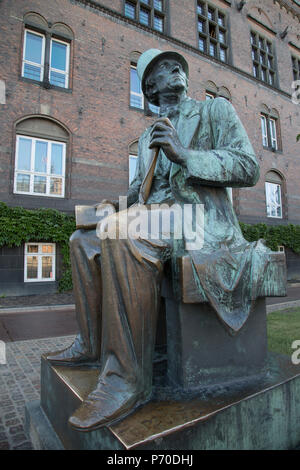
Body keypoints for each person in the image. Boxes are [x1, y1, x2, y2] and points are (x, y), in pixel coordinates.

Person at [46, 49, 285, 431]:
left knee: (124, 233)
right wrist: (114, 204)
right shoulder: (145, 137)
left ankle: (127, 381)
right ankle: (92, 346)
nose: (173, 70)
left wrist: (185, 154)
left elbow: (248, 167)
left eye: (176, 66)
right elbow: (141, 192)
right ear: (149, 89)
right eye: (159, 70)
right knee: (82, 240)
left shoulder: (214, 111)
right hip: (156, 217)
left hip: (200, 222)